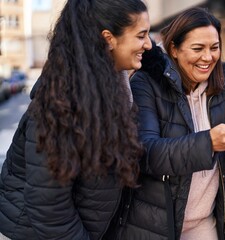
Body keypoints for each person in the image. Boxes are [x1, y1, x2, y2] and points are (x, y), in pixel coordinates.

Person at [0, 0, 151, 239]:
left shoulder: (113, 86)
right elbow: (49, 209)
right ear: (108, 39)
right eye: (141, 35)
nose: (149, 44)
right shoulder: (62, 101)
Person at [120, 7, 225, 240]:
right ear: (174, 49)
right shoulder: (146, 83)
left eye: (214, 48)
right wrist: (209, 142)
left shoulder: (222, 87)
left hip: (205, 223)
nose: (208, 57)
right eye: (197, 48)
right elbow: (146, 153)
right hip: (157, 225)